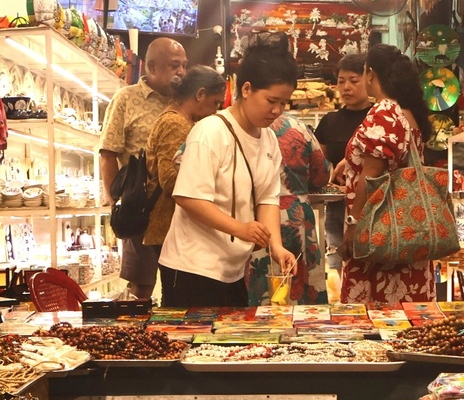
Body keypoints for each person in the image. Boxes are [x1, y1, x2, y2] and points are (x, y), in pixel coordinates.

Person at [158, 32, 297, 308]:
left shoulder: (268, 139)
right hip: (191, 268)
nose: (277, 111)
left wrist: (276, 246)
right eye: (272, 101)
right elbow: (188, 197)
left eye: (284, 103)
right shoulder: (210, 131)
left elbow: (267, 198)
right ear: (246, 90)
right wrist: (241, 229)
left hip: (232, 270)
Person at [338, 43, 437, 304]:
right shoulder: (407, 113)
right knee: (406, 317)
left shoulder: (384, 111)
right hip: (408, 231)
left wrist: (353, 224)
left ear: (370, 74)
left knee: (376, 315)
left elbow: (371, 177)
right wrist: (349, 162)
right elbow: (391, 159)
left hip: (381, 234)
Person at [100, 37, 188, 299]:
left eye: (184, 65)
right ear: (151, 66)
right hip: (141, 208)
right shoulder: (126, 99)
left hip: (182, 208)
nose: (181, 72)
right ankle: (139, 337)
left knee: (179, 284)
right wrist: (117, 201)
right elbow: (108, 153)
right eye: (174, 65)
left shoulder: (187, 103)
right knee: (141, 286)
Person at [247, 113, 331, 305]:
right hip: (295, 215)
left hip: (252, 215)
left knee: (258, 288)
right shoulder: (297, 126)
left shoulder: (241, 127)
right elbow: (321, 174)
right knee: (298, 287)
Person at [142, 66, 226, 250]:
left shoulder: (182, 120)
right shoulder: (175, 123)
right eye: (215, 103)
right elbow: (170, 180)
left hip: (172, 228)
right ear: (200, 94)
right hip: (169, 227)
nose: (215, 111)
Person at [314, 53, 372, 272]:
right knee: (339, 264)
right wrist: (331, 183)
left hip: (370, 204)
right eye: (341, 81)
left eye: (354, 81)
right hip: (337, 206)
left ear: (369, 80)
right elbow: (320, 166)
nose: (346, 87)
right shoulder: (330, 121)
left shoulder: (376, 118)